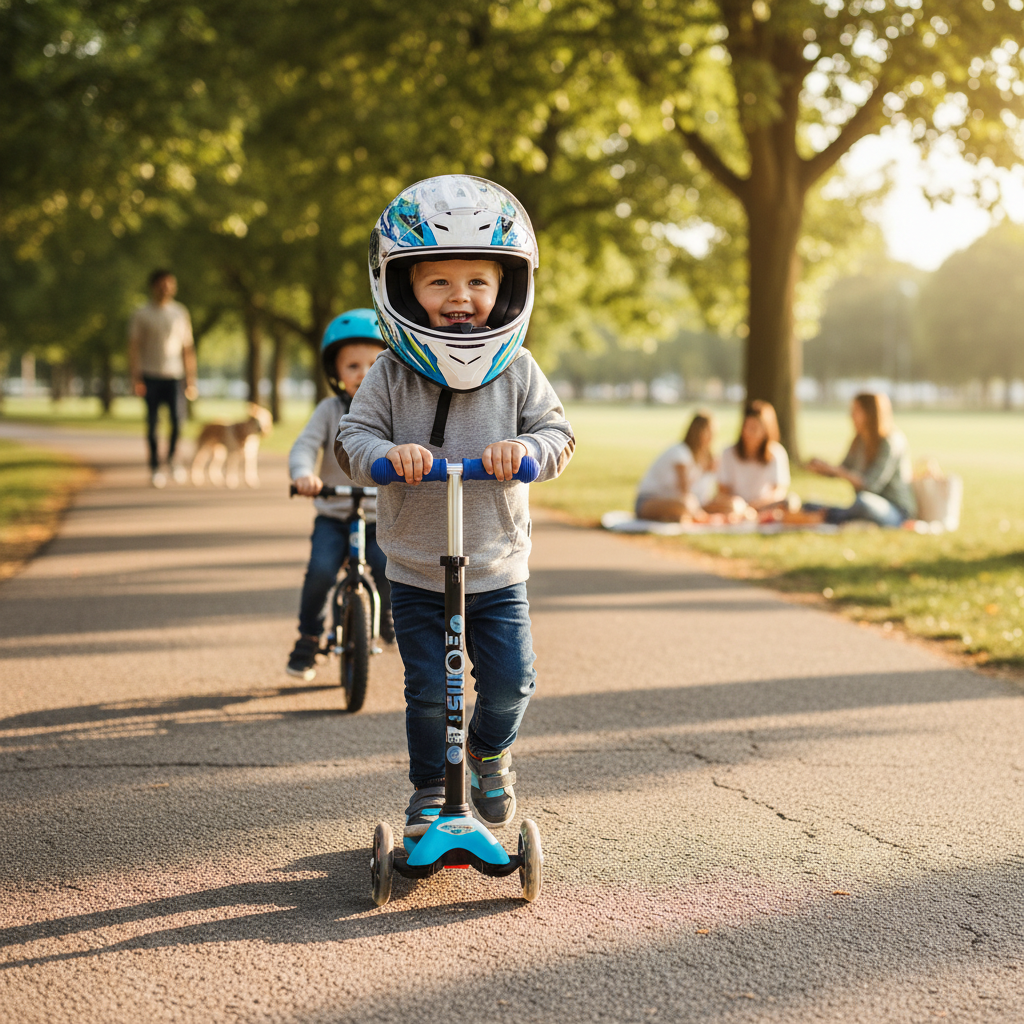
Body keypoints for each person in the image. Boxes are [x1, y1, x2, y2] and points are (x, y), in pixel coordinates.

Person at [337, 175, 575, 839]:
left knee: (511, 683)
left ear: (507, 287)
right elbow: (353, 438)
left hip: (496, 567)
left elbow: (558, 435)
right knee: (428, 693)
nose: (460, 297)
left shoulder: (519, 368)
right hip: (417, 568)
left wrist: (526, 450)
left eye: (477, 281)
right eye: (438, 282)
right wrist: (387, 456)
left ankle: (489, 754)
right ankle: (427, 790)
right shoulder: (389, 373)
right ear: (401, 287)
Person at [286, 309, 393, 681]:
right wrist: (303, 475)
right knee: (320, 571)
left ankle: (389, 615)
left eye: (374, 364)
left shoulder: (394, 412)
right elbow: (304, 447)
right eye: (352, 366)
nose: (363, 374)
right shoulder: (329, 410)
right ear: (335, 373)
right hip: (334, 515)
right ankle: (308, 638)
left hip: (381, 516)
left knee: (391, 568)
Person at [128, 269, 198, 487]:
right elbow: (134, 348)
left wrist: (191, 379)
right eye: (162, 285)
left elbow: (187, 348)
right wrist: (136, 378)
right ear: (153, 286)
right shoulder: (141, 314)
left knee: (177, 421)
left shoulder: (180, 313)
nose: (166, 289)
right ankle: (155, 467)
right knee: (152, 424)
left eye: (170, 285)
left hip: (175, 376)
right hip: (150, 375)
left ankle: (172, 459)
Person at [804, 392, 917, 526]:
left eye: (856, 411)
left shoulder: (890, 442)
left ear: (870, 413)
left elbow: (870, 485)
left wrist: (835, 470)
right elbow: (843, 469)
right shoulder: (859, 441)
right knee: (810, 504)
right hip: (864, 503)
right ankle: (825, 512)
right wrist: (824, 468)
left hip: (895, 511)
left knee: (862, 502)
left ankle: (826, 514)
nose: (850, 416)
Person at [708, 399, 791, 515]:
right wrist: (741, 505)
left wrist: (757, 505)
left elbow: (778, 491)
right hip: (735, 507)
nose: (749, 433)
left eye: (755, 428)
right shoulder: (728, 453)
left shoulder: (776, 453)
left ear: (766, 430)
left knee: (792, 502)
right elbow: (723, 490)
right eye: (747, 427)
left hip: (765, 505)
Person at [635, 412, 717, 522]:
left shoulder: (700, 459)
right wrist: (701, 513)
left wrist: (707, 474)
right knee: (685, 506)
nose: (712, 437)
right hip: (647, 502)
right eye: (709, 432)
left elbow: (702, 496)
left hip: (673, 503)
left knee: (723, 505)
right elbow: (684, 491)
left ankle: (675, 517)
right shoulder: (680, 452)